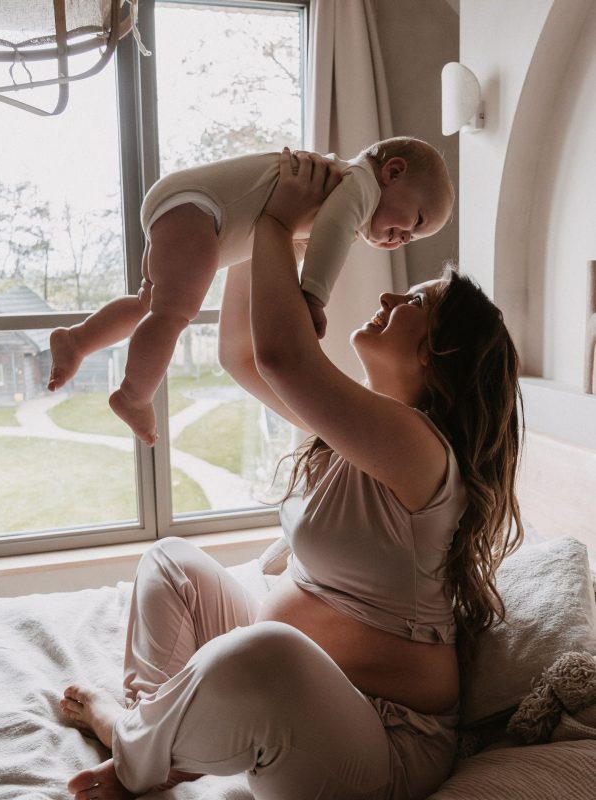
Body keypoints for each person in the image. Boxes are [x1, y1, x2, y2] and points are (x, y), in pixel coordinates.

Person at [60, 150, 524, 800]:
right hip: (305, 695)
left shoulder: (423, 452)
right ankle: (158, 735)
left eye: (416, 300)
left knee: (268, 653)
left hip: (380, 739)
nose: (390, 295)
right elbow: (243, 355)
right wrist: (259, 222)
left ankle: (133, 741)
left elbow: (283, 356)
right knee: (172, 563)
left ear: (440, 351)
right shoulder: (358, 434)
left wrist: (279, 222)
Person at [47, 137, 454, 446]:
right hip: (202, 209)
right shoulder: (360, 187)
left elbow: (288, 246)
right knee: (172, 313)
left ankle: (78, 339)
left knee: (150, 302)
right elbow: (332, 231)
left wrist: (281, 227)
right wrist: (313, 296)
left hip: (190, 207)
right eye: (417, 220)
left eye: (415, 237)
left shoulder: (341, 191)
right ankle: (135, 395)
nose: (405, 238)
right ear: (393, 172)